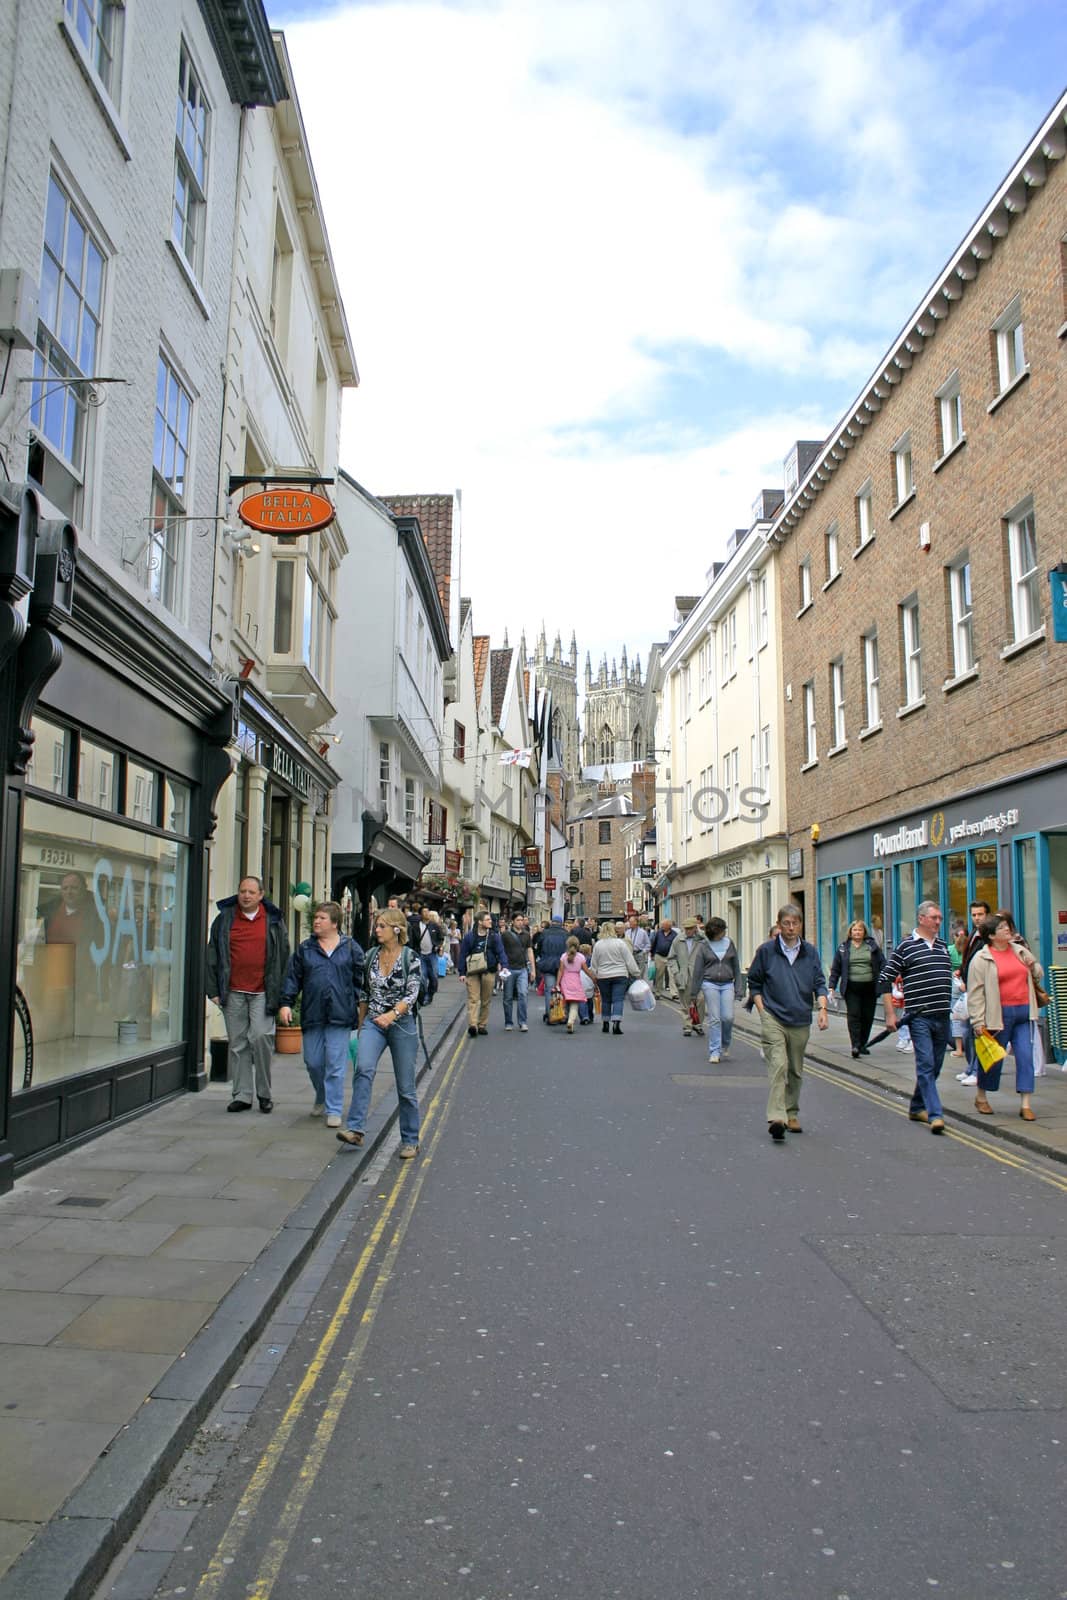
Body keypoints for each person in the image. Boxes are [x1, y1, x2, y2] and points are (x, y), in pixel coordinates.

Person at [335, 908, 422, 1156]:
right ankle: (356, 1130)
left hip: (401, 1024)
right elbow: (364, 992)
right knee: (363, 1069)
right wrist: (362, 1026)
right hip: (374, 1022)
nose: (377, 930)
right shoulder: (371, 955)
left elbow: (412, 995)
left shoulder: (411, 958)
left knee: (405, 1085)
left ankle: (410, 1139)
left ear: (397, 929)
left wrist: (392, 1014)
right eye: (377, 925)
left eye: (382, 926)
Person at [206, 876, 290, 1115]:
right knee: (238, 1044)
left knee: (262, 1037)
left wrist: (283, 993)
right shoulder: (225, 919)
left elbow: (283, 956)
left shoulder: (273, 920)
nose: (246, 895)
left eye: (251, 892)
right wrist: (213, 990)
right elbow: (212, 954)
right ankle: (242, 1095)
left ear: (261, 895)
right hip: (232, 992)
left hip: (263, 991)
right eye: (242, 891)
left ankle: (264, 1093)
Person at [278, 903, 365, 1129]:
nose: (316, 921)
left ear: (334, 923)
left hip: (340, 1014)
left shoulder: (350, 948)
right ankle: (321, 1095)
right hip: (313, 1013)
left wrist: (356, 1002)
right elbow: (292, 978)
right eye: (316, 917)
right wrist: (286, 1004)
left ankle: (334, 1109)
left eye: (322, 918)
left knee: (335, 1065)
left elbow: (361, 979)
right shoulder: (306, 949)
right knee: (313, 1061)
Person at [746, 904, 829, 1141]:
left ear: (801, 925)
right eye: (786, 923)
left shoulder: (810, 952)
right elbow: (755, 982)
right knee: (779, 1065)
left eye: (795, 923)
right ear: (779, 924)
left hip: (801, 1017)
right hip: (773, 1016)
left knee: (795, 1070)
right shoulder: (767, 951)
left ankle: (792, 1112)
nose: (791, 928)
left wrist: (823, 1009)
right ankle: (777, 1117)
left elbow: (819, 982)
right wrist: (762, 1011)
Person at [878, 901, 954, 1134]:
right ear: (921, 919)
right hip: (919, 1016)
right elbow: (884, 979)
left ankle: (916, 1106)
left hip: (943, 1016)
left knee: (936, 1066)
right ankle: (935, 1114)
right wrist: (890, 1014)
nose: (938, 922)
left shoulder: (942, 946)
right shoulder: (905, 947)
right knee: (926, 1064)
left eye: (940, 918)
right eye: (934, 918)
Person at [966, 911, 1044, 1121]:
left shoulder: (1019, 951)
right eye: (1001, 928)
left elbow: (1038, 972)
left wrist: (1033, 967)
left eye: (1008, 926)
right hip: (997, 1016)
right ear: (991, 935)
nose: (1007, 930)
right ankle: (982, 1096)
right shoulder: (981, 959)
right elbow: (975, 994)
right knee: (992, 1059)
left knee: (1026, 1057)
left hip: (1024, 1013)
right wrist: (978, 1022)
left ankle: (1025, 1104)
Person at [827, 920, 886, 1059]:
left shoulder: (872, 946)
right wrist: (831, 987)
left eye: (860, 930)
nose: (857, 932)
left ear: (864, 932)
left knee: (867, 1017)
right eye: (854, 930)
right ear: (850, 932)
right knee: (854, 1015)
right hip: (851, 988)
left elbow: (883, 963)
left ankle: (862, 1044)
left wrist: (886, 979)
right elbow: (836, 969)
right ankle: (855, 1045)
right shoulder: (843, 948)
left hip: (870, 987)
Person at [689, 916, 744, 1063]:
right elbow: (698, 971)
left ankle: (725, 1043)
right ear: (715, 931)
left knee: (728, 1017)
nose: (724, 932)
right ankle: (714, 1051)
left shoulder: (729, 943)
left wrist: (739, 988)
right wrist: (693, 993)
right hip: (709, 983)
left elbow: (736, 967)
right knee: (714, 1018)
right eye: (722, 930)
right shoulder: (704, 946)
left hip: (727, 984)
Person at [457, 910, 506, 1037]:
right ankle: (473, 1025)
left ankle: (482, 1024)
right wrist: (462, 972)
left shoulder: (494, 936)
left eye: (490, 920)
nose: (491, 922)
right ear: (480, 922)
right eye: (488, 920)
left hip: (489, 970)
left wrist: (504, 966)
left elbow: (501, 952)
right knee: (473, 999)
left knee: (485, 1000)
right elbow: (463, 954)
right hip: (472, 971)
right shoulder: (469, 936)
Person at [589, 919, 640, 1035]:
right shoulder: (620, 943)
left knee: (606, 1000)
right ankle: (616, 1023)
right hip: (620, 975)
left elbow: (594, 963)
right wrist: (636, 973)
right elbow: (629, 960)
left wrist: (594, 975)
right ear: (613, 931)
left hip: (603, 976)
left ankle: (605, 1023)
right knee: (618, 999)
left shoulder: (598, 945)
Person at [668, 917, 706, 1037]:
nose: (688, 931)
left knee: (700, 1000)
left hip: (699, 974)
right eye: (686, 929)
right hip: (683, 975)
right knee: (685, 1002)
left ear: (696, 928)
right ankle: (687, 1026)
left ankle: (698, 1023)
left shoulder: (703, 939)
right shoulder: (678, 940)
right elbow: (671, 958)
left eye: (690, 928)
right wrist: (676, 972)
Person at [500, 913, 535, 1031]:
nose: (521, 922)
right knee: (508, 997)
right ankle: (508, 1022)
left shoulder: (526, 935)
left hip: (522, 969)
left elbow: (530, 951)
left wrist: (533, 970)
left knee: (523, 994)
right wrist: (500, 967)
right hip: (508, 969)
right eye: (518, 920)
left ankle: (523, 1022)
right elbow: (501, 951)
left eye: (522, 920)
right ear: (513, 921)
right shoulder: (505, 935)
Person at [535, 915, 570, 1022]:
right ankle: (563, 1015)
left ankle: (550, 1015)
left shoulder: (544, 933)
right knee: (563, 990)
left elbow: (538, 948)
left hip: (547, 963)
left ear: (552, 922)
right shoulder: (566, 934)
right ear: (561, 923)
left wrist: (542, 957)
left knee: (549, 990)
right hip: (562, 964)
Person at [407, 903, 442, 1006]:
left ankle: (431, 993)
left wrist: (439, 946)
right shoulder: (416, 926)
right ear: (420, 914)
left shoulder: (434, 925)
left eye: (428, 911)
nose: (427, 914)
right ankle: (425, 996)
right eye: (424, 912)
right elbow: (412, 940)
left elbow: (441, 938)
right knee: (422, 977)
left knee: (434, 976)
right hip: (420, 954)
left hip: (432, 954)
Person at [556, 937, 590, 1034]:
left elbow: (561, 970)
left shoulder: (563, 956)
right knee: (575, 1004)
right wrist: (594, 979)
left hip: (565, 981)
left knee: (566, 1001)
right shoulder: (581, 957)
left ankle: (565, 1016)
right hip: (576, 981)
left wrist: (557, 983)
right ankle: (571, 1021)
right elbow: (586, 970)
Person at [650, 919, 678, 999]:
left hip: (670, 957)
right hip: (659, 956)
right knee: (659, 975)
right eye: (662, 925)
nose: (662, 926)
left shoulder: (674, 934)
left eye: (664, 925)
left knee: (672, 974)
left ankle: (674, 993)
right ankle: (658, 992)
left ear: (669, 926)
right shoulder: (659, 933)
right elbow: (654, 943)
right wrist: (652, 954)